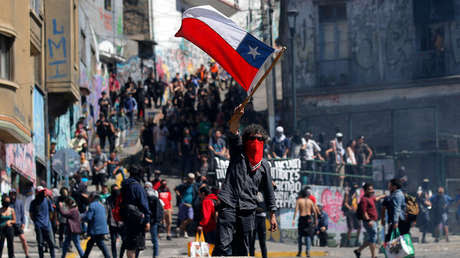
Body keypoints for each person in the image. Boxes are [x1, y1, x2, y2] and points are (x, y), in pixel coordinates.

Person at [213, 105, 277, 256]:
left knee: (242, 250)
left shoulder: (264, 165)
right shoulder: (238, 152)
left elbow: (269, 191)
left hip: (248, 209)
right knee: (222, 246)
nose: (255, 141)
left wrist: (272, 215)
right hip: (229, 203)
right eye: (252, 138)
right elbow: (233, 130)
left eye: (259, 139)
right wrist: (236, 116)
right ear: (246, 139)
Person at [120, 166, 151, 258]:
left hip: (127, 218)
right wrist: (147, 220)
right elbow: (144, 204)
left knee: (130, 246)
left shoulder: (125, 185)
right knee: (135, 246)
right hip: (137, 220)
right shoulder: (137, 186)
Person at [354, 183, 385, 258]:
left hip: (374, 221)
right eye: (370, 189)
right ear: (365, 190)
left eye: (372, 189)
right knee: (373, 238)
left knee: (372, 238)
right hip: (370, 221)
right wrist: (369, 221)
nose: (372, 190)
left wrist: (383, 196)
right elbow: (364, 212)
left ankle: (358, 251)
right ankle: (373, 256)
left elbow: (376, 199)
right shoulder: (364, 199)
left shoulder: (370, 197)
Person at [82, 192, 110, 258]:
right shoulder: (101, 205)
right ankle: (85, 256)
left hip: (96, 229)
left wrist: (82, 218)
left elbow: (89, 217)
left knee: (101, 244)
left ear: (92, 198)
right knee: (90, 243)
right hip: (102, 228)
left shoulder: (92, 205)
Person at [30, 186, 56, 258]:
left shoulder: (47, 200)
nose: (43, 193)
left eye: (43, 192)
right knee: (40, 244)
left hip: (47, 225)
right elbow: (31, 214)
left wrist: (48, 220)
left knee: (51, 243)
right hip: (39, 226)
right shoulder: (34, 202)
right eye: (41, 192)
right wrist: (36, 222)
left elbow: (51, 211)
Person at [292, 188, 317, 257]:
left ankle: (299, 252)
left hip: (302, 218)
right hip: (309, 218)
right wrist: (315, 220)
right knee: (308, 236)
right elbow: (315, 212)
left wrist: (293, 219)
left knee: (300, 236)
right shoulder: (310, 201)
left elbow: (296, 210)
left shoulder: (299, 201)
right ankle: (307, 252)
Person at [175, 173, 198, 238]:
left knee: (190, 218)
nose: (192, 180)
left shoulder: (194, 185)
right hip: (183, 203)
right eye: (191, 179)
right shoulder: (184, 185)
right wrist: (179, 195)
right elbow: (176, 189)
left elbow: (196, 192)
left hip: (190, 204)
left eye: (193, 179)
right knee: (183, 218)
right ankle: (185, 232)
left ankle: (179, 228)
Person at [106, 184, 126, 258]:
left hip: (122, 223)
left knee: (124, 241)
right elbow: (107, 210)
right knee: (113, 242)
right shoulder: (108, 199)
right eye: (114, 190)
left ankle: (121, 255)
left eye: (117, 190)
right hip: (112, 223)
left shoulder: (122, 198)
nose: (116, 192)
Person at [9, 189, 29, 258]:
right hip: (11, 225)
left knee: (23, 239)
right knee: (11, 241)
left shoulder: (19, 202)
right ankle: (12, 255)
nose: (13, 195)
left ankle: (27, 254)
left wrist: (23, 223)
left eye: (14, 193)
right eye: (11, 194)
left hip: (18, 224)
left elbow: (23, 214)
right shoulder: (8, 203)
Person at [146, 186, 163, 258]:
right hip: (153, 221)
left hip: (151, 221)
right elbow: (160, 211)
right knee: (154, 239)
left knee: (154, 239)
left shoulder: (153, 199)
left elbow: (158, 211)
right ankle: (155, 255)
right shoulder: (156, 199)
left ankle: (155, 254)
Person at [0, 194, 16, 258]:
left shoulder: (11, 210)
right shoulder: (0, 210)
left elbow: (14, 220)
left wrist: (10, 221)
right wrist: (4, 224)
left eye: (8, 201)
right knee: (0, 245)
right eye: (6, 201)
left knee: (10, 245)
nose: (7, 203)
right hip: (1, 229)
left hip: (9, 229)